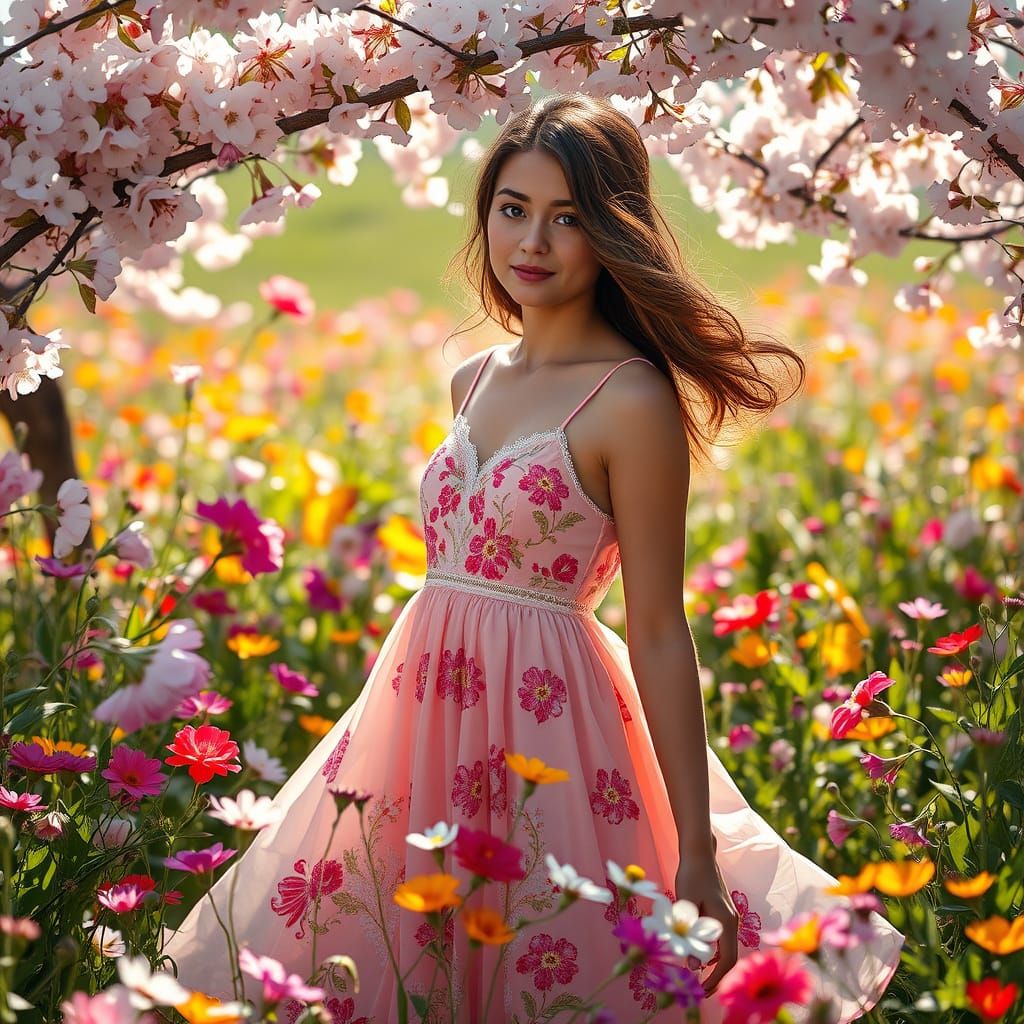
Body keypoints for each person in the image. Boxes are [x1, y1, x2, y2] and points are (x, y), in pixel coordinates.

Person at [162, 93, 904, 1023]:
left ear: (611, 232)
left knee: (538, 956)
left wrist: (698, 851)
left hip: (548, 728)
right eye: (513, 209)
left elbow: (659, 628)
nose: (534, 242)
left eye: (569, 218)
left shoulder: (630, 401)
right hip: (418, 718)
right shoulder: (471, 378)